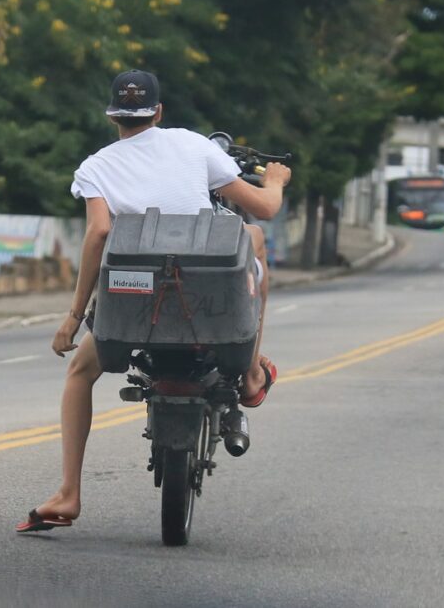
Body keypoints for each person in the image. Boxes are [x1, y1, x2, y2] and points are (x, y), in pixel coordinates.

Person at [17, 69, 291, 533]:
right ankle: (248, 372)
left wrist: (73, 317)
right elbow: (262, 206)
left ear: (112, 116)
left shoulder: (96, 166)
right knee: (254, 238)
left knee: (80, 373)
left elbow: (100, 232)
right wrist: (278, 180)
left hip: (136, 303)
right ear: (158, 112)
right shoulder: (192, 145)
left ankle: (69, 493)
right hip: (206, 302)